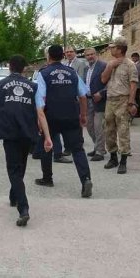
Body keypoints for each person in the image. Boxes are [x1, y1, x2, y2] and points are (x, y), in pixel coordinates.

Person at [0, 54, 52, 227]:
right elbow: (40, 112)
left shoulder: (0, 85)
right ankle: (14, 196)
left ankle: (23, 208)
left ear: (9, 67)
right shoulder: (33, 86)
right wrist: (47, 136)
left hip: (9, 132)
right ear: (24, 68)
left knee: (14, 170)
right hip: (27, 132)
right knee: (21, 166)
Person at [35, 44, 93, 198]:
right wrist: (83, 115)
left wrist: (39, 120)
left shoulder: (44, 73)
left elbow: (40, 98)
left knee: (47, 146)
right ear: (62, 56)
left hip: (51, 117)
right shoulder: (72, 72)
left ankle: (47, 178)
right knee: (77, 149)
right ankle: (85, 179)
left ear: (48, 57)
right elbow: (82, 95)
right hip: (71, 116)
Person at [100, 37, 138, 173]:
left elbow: (133, 85)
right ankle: (113, 157)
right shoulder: (110, 63)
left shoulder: (130, 65)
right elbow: (103, 79)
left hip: (123, 100)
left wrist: (131, 103)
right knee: (109, 129)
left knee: (123, 131)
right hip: (110, 100)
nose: (111, 49)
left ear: (120, 49)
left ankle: (123, 161)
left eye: (113, 47)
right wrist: (110, 66)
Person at [84, 47, 107, 161]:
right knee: (89, 126)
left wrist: (102, 93)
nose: (90, 56)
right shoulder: (86, 68)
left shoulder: (103, 66)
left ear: (96, 54)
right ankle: (97, 146)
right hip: (88, 100)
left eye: (92, 54)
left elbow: (110, 83)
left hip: (100, 101)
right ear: (85, 57)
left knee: (98, 127)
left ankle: (100, 151)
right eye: (87, 55)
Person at [131, 52, 140, 117]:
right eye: (132, 58)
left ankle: (138, 113)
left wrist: (131, 76)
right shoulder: (135, 64)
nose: (133, 59)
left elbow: (138, 74)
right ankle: (137, 112)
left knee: (137, 98)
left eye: (133, 58)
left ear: (137, 57)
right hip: (136, 84)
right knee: (136, 98)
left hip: (138, 84)